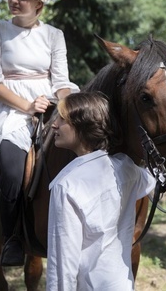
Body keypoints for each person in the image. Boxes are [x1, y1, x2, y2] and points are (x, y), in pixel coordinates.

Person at [0, 0, 79, 267]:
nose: (13, 1)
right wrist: (27, 106)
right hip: (10, 112)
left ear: (38, 4)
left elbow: (61, 81)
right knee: (9, 165)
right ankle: (12, 239)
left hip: (50, 106)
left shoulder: (53, 35)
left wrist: (67, 107)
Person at [46, 92, 156, 290]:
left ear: (83, 125)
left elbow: (63, 265)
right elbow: (157, 180)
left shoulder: (67, 186)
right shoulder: (126, 167)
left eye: (62, 119)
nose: (54, 124)